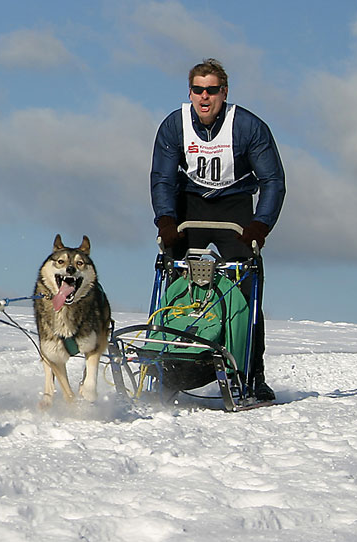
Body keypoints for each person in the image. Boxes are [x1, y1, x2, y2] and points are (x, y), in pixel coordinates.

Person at [150, 58, 285, 402]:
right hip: (190, 204)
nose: (204, 97)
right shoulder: (174, 126)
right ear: (190, 92)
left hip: (235, 207)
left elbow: (273, 181)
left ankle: (253, 374)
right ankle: (167, 364)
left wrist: (260, 225)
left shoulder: (248, 127)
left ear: (224, 93)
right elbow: (163, 178)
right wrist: (166, 220)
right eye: (198, 90)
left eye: (212, 90)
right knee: (173, 268)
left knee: (247, 279)